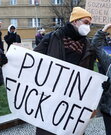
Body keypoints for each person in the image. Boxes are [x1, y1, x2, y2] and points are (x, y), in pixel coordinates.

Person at [34, 7, 97, 135]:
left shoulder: (88, 47)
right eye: (86, 22)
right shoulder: (53, 38)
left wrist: (96, 91)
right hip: (51, 97)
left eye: (89, 24)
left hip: (73, 101)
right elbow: (35, 59)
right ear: (75, 21)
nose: (88, 26)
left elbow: (89, 75)